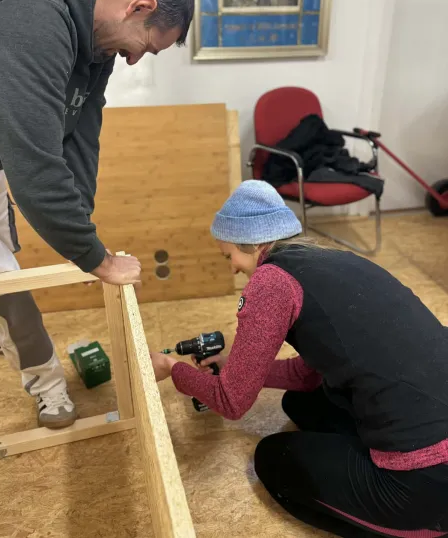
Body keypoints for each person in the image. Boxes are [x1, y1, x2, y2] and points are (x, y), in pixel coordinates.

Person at [0, 0, 194, 429]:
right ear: (140, 6)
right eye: (146, 47)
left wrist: (84, 238)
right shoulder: (29, 14)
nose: (134, 59)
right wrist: (94, 258)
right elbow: (36, 167)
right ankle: (47, 387)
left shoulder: (94, 43)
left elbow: (81, 135)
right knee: (4, 283)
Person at [151, 180, 448, 537]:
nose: (232, 268)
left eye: (229, 257)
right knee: (301, 402)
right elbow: (308, 376)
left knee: (272, 460)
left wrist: (172, 369)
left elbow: (232, 401)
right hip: (434, 420)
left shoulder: (271, 282)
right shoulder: (329, 259)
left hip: (423, 479)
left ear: (255, 244)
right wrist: (235, 365)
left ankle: (424, 526)